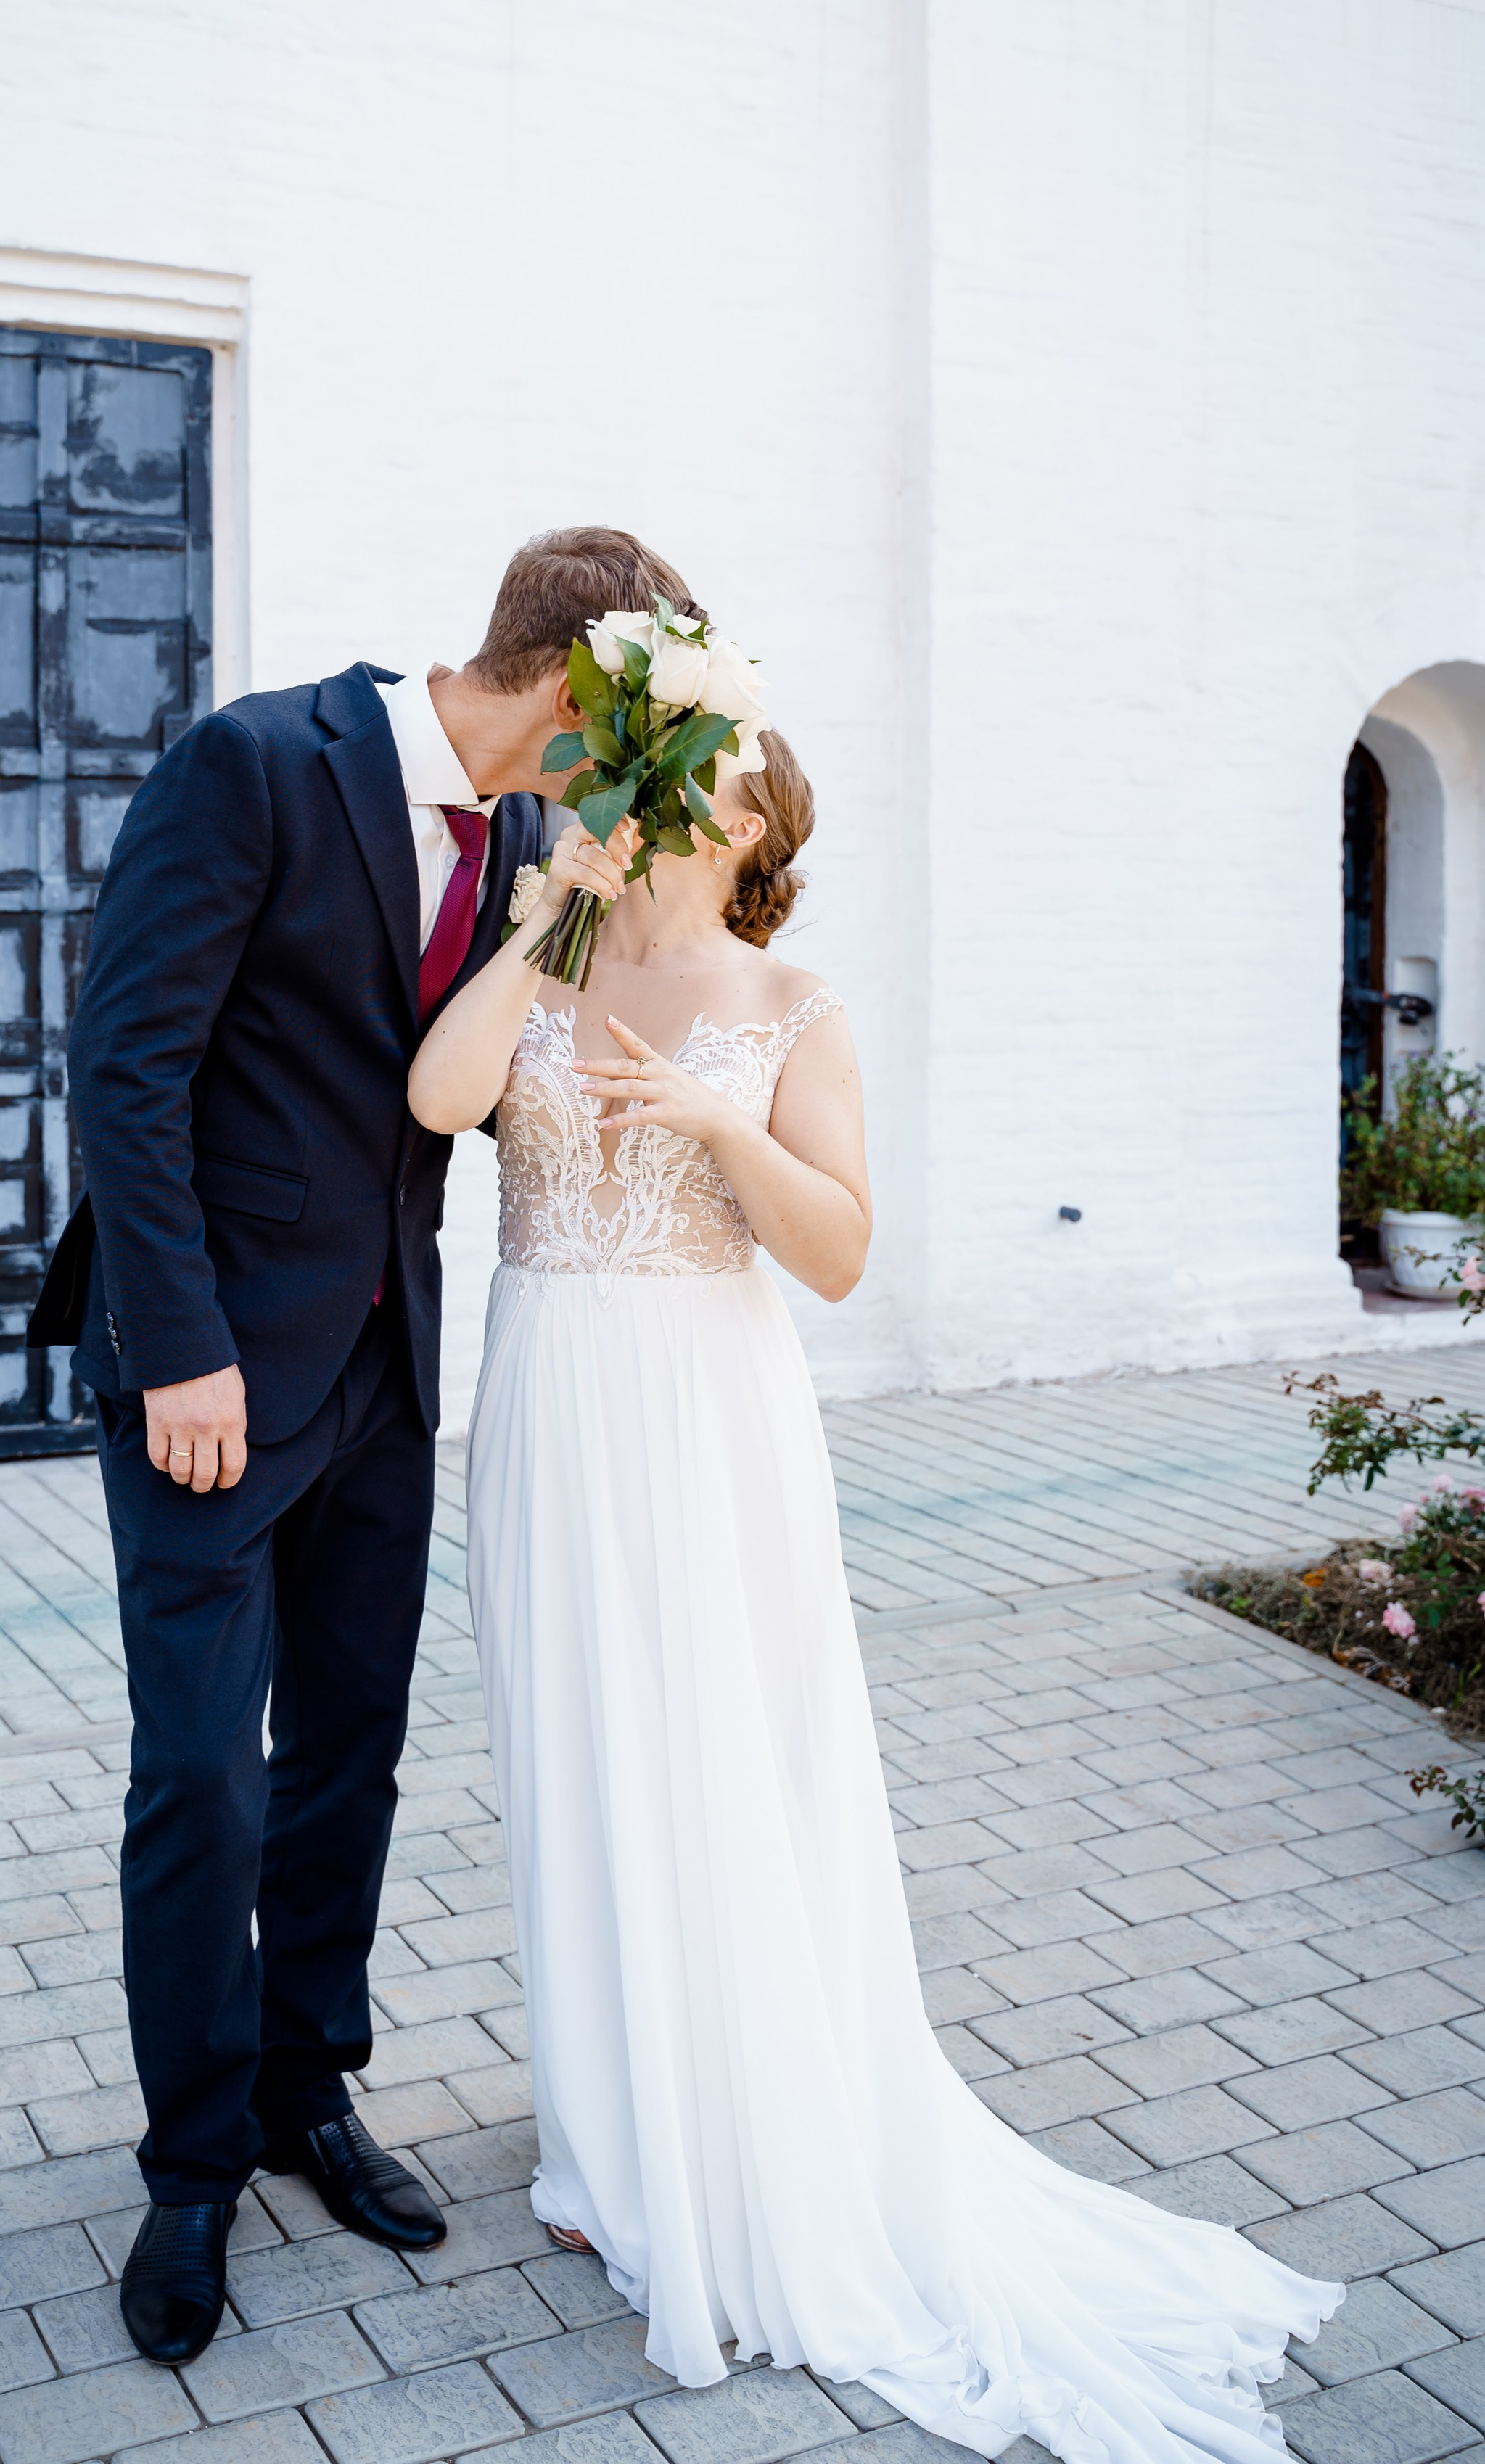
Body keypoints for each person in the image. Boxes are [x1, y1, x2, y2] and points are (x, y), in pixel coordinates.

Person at [408, 698, 1344, 2463]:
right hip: (548, 1399)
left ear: (756, 829)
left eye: (708, 782)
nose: (670, 802)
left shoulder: (792, 1007)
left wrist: (714, 1121)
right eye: (653, 774)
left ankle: (742, 2139)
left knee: (717, 1769)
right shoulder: (546, 953)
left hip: (705, 1413)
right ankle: (611, 2147)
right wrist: (539, 915)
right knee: (573, 1754)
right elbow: (438, 1097)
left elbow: (836, 1256)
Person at [28, 529, 666, 2366]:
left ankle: (310, 2084)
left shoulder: (535, 842)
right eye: (624, 726)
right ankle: (190, 2165)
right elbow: (125, 1068)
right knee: (203, 1781)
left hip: (389, 1372)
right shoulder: (255, 763)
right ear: (568, 687)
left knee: (348, 1757)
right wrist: (180, 1351)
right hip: (210, 1380)